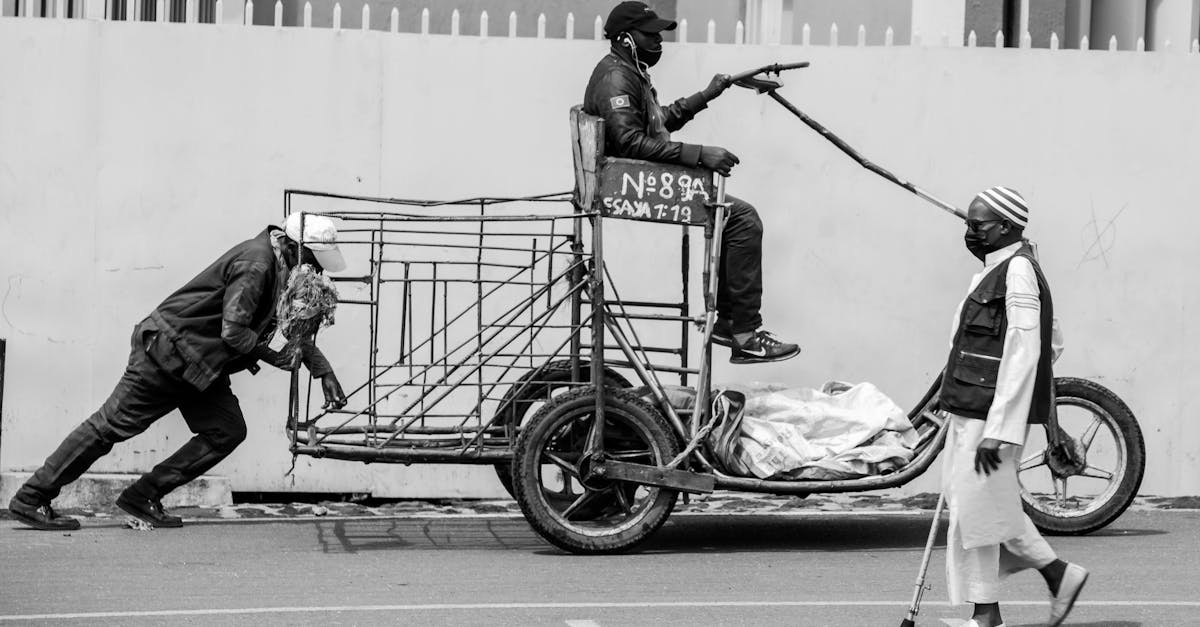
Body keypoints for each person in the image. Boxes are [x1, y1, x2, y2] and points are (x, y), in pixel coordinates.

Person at [7, 213, 349, 531]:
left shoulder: (278, 266)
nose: (313, 271)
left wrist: (322, 371)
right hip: (169, 353)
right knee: (109, 427)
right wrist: (274, 358)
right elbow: (233, 330)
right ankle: (31, 498)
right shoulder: (257, 263)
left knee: (226, 430)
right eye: (312, 262)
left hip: (200, 364)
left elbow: (288, 325)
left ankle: (143, 495)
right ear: (293, 246)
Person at [583, 1, 800, 365]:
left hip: (638, 177)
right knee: (743, 220)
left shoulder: (629, 70)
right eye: (649, 35)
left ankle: (730, 323)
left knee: (736, 218)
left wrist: (708, 93)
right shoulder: (616, 78)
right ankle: (744, 333)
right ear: (625, 38)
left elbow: (657, 123)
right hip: (628, 183)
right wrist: (701, 154)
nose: (658, 42)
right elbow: (629, 142)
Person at [938, 186, 1088, 627]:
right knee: (978, 509)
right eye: (968, 223)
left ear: (1006, 226)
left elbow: (1026, 350)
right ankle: (997, 609)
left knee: (978, 508)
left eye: (978, 225)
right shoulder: (998, 269)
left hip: (989, 417)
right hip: (974, 409)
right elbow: (1052, 338)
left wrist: (1001, 426)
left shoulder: (1017, 271)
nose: (970, 232)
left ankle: (1031, 590)